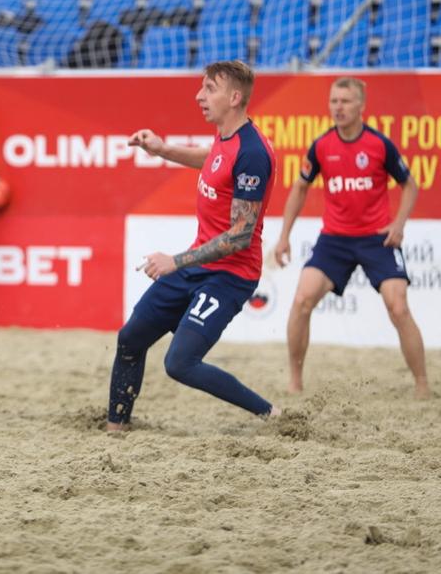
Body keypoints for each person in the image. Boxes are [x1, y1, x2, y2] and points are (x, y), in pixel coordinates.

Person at [107, 60, 281, 430]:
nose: (199, 96)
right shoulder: (227, 136)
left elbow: (240, 235)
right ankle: (115, 429)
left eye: (209, 89)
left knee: (180, 363)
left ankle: (272, 415)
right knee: (130, 338)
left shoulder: (253, 152)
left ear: (234, 98)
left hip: (231, 276)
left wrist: (175, 260)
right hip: (197, 265)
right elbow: (212, 160)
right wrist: (161, 149)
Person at [274, 77, 429, 398]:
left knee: (398, 307)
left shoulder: (379, 144)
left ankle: (422, 386)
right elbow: (300, 188)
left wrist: (399, 224)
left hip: (377, 239)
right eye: (334, 101)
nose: (338, 107)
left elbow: (410, 185)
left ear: (361, 106)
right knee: (302, 300)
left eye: (345, 101)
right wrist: (284, 236)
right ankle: (295, 382)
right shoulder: (321, 146)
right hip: (335, 240)